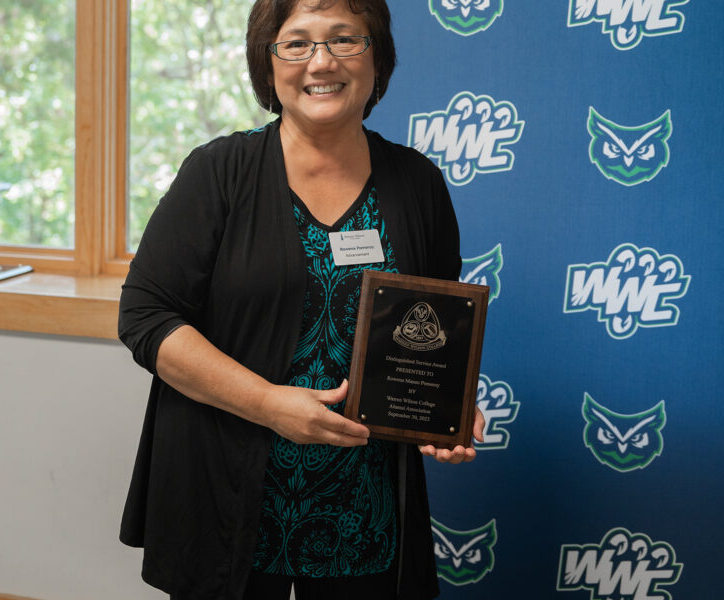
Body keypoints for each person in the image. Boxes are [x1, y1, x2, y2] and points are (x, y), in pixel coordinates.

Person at [118, 0, 485, 598]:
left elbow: (436, 324)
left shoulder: (418, 183)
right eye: (297, 43)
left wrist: (447, 405)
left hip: (364, 511)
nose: (322, 61)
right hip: (232, 497)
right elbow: (145, 317)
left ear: (377, 58)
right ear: (268, 64)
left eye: (346, 39)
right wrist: (268, 403)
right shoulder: (218, 172)